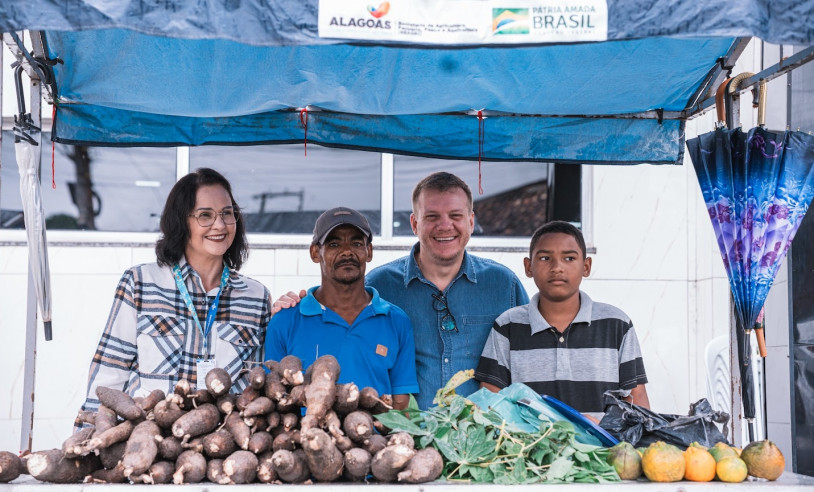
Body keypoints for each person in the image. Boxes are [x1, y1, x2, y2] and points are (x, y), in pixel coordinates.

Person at [273, 172, 529, 409]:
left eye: (455, 216)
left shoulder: (503, 285)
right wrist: (297, 304)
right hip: (409, 443)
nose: (444, 225)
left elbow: (528, 362)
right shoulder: (379, 286)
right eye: (431, 217)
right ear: (414, 223)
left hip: (482, 445)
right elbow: (336, 301)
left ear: (471, 222)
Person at [78, 168, 271, 418]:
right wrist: (88, 439)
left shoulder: (256, 297)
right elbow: (109, 372)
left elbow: (259, 384)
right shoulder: (140, 283)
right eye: (205, 215)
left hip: (223, 446)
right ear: (181, 221)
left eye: (227, 213)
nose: (220, 225)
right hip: (148, 441)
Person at [475, 220, 650, 416]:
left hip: (605, 447)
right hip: (531, 446)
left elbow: (638, 404)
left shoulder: (616, 324)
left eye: (569, 258)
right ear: (528, 266)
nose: (557, 267)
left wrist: (607, 429)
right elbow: (490, 402)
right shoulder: (508, 326)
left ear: (586, 266)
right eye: (544, 258)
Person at [264, 207, 419, 410]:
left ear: (369, 251)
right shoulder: (285, 321)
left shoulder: (396, 321)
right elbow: (274, 396)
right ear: (315, 252)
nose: (347, 252)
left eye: (356, 243)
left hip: (376, 441)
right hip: (307, 439)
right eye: (334, 244)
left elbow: (401, 403)